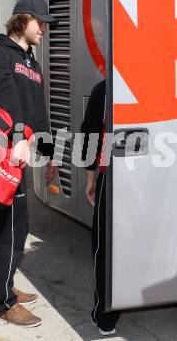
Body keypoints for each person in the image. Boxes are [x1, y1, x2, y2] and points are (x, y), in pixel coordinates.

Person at [0, 0, 57, 327]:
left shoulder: (31, 63)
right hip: (0, 155)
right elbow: (2, 100)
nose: (44, 29)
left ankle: (5, 283)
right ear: (22, 20)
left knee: (19, 227)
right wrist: (20, 135)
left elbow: (38, 111)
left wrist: (49, 155)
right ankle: (2, 302)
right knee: (5, 230)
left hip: (20, 156)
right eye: (40, 22)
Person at [81, 79, 121, 336]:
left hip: (114, 174)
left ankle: (105, 316)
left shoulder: (106, 87)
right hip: (161, 176)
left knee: (106, 246)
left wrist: (90, 177)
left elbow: (90, 134)